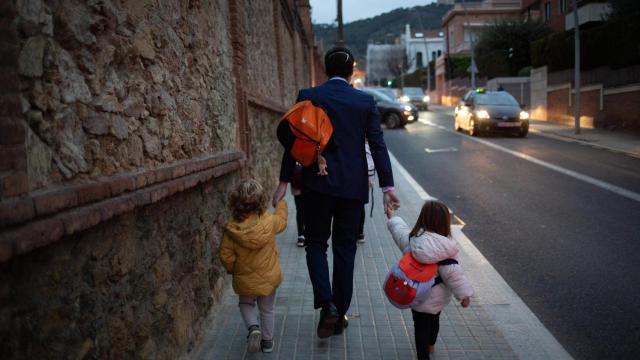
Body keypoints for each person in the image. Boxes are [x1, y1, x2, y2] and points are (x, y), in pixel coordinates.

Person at [272, 46, 400, 338]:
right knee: (346, 249)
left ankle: (327, 305)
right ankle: (339, 312)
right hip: (353, 188)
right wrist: (387, 187)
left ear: (326, 70)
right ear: (352, 71)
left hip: (317, 183)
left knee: (316, 244)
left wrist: (283, 181)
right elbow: (378, 145)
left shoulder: (309, 95)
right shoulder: (364, 102)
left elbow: (296, 141)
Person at [386, 201, 473, 360]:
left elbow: (399, 231)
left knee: (420, 328)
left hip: (415, 294)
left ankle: (423, 355)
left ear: (422, 219)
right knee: (434, 321)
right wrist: (464, 296)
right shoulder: (446, 249)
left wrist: (392, 217)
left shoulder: (413, 240)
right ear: (445, 223)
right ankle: (431, 344)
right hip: (436, 299)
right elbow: (454, 275)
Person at [219, 179, 287, 353]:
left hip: (245, 279)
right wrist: (281, 203)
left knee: (246, 304)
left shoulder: (232, 231)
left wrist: (233, 269)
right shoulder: (270, 222)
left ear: (236, 203)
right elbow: (282, 221)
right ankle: (267, 342)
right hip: (268, 277)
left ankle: (253, 327)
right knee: (267, 309)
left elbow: (225, 256)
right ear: (261, 201)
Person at [356, 141, 375, 244]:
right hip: (369, 176)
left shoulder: (355, 142)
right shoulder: (369, 145)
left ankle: (357, 231)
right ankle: (360, 233)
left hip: (357, 175)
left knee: (355, 204)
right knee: (360, 204)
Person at [291, 162, 306, 247]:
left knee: (308, 209)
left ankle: (306, 233)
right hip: (297, 182)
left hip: (311, 184)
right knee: (300, 209)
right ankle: (301, 234)